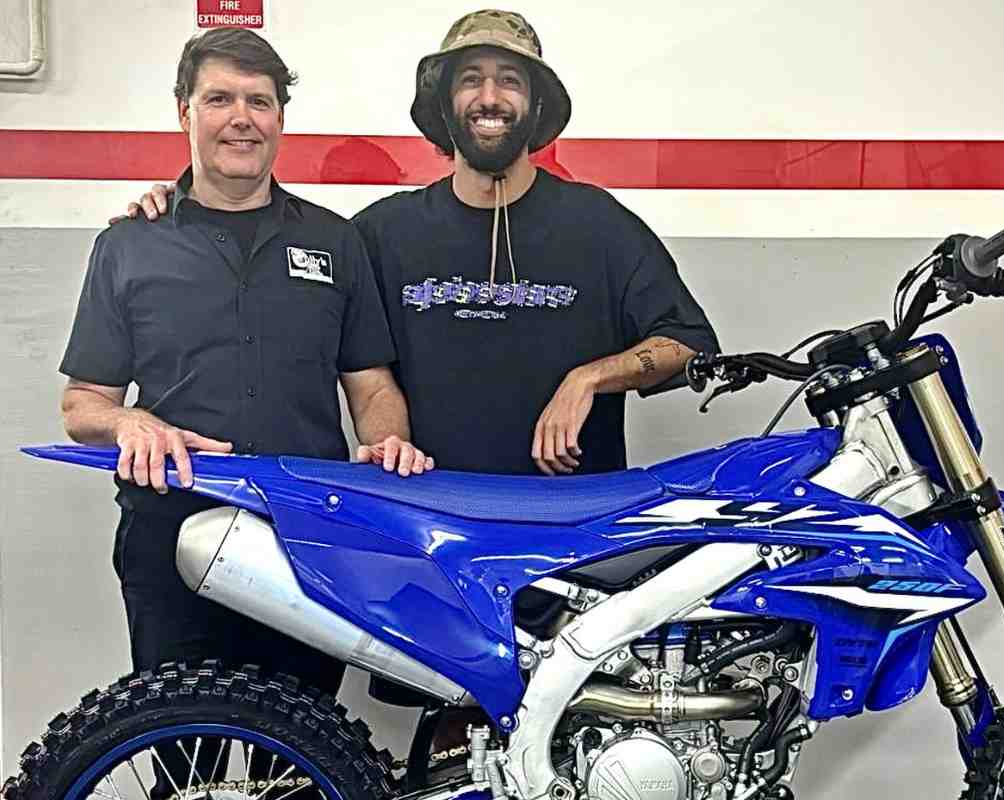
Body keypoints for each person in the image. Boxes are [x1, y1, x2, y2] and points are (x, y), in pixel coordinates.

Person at [61, 26, 431, 797]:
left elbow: (370, 386)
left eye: (259, 102)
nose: (241, 118)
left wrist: (389, 441)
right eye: (220, 99)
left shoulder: (334, 242)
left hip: (305, 534)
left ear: (280, 119)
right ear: (184, 112)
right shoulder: (128, 245)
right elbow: (82, 403)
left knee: (302, 755)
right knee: (179, 751)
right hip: (171, 530)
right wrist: (130, 423)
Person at [130, 9, 719, 479]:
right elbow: (300, 326)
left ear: (535, 105)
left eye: (510, 81)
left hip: (574, 530)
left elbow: (688, 342)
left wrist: (588, 379)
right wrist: (183, 207)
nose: (490, 97)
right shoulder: (379, 234)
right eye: (471, 80)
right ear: (445, 105)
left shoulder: (600, 224)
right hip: (429, 528)